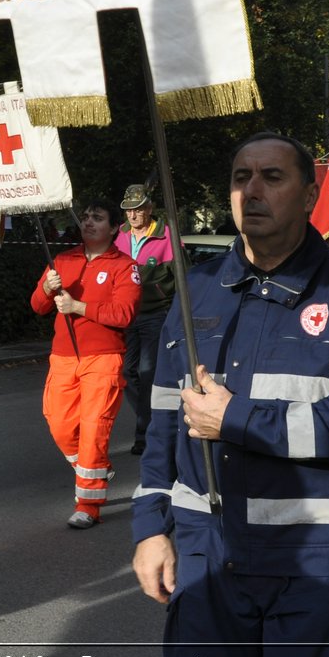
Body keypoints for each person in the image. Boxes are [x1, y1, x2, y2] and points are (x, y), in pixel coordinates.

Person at [132, 133, 329, 657]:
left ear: (309, 194)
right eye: (240, 177)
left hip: (312, 557)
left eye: (272, 177)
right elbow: (160, 424)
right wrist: (149, 529)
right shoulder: (196, 289)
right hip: (207, 550)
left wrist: (237, 419)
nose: (251, 190)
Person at [30, 199, 138, 528]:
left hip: (104, 357)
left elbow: (124, 314)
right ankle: (95, 468)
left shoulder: (124, 266)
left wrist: (79, 306)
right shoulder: (62, 260)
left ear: (114, 228)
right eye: (86, 216)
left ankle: (88, 504)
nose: (88, 222)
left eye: (98, 218)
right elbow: (37, 306)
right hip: (63, 356)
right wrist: (46, 290)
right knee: (59, 423)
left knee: (94, 428)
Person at [115, 184, 182, 456]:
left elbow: (182, 280)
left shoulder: (166, 235)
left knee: (146, 373)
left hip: (155, 314)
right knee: (126, 373)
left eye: (137, 208)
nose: (132, 215)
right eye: (128, 210)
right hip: (125, 317)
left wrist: (179, 319)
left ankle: (144, 435)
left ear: (149, 209)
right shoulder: (118, 237)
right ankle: (154, 419)